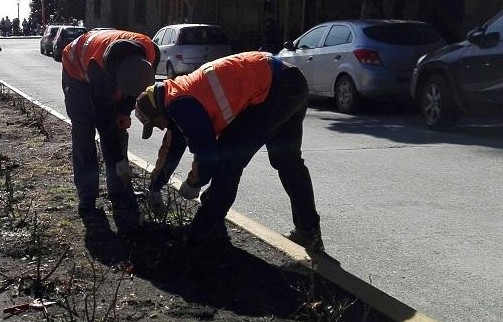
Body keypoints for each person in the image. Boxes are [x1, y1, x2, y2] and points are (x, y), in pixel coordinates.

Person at [134, 51, 327, 252]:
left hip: (275, 88)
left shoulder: (179, 104)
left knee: (227, 162)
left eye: (156, 124)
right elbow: (172, 147)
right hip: (291, 80)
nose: (160, 128)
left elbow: (207, 155)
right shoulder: (175, 96)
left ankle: (204, 233)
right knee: (287, 161)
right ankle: (309, 231)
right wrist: (155, 187)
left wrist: (194, 183)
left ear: (157, 112)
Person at [61, 29, 158, 235]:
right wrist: (118, 160)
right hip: (76, 72)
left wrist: (124, 110)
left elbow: (139, 88)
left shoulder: (151, 51)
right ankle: (87, 196)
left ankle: (120, 191)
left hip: (110, 69)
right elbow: (104, 123)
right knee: (84, 132)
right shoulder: (99, 69)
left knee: (119, 128)